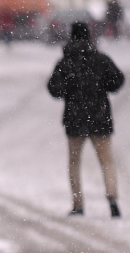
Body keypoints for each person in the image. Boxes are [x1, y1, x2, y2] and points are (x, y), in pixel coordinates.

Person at [48, 22, 124, 217]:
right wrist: (101, 87)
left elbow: (53, 88)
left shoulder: (65, 62)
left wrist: (69, 90)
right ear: (90, 37)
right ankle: (112, 198)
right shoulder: (100, 59)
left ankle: (78, 204)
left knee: (74, 162)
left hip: (74, 119)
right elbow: (118, 80)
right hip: (100, 117)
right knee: (107, 161)